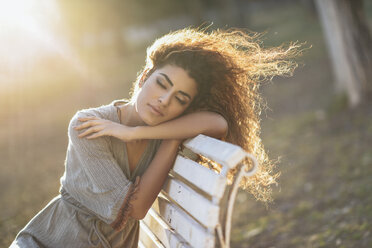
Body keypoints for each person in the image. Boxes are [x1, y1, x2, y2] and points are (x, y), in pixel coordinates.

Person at [11, 27, 300, 247]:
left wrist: (142, 132)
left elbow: (218, 122)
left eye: (180, 99)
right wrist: (172, 135)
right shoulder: (88, 126)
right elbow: (133, 209)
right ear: (143, 78)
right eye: (162, 84)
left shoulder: (163, 132)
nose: (164, 101)